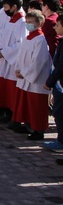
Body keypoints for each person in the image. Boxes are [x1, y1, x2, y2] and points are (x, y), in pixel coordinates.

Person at [12, 10, 52, 140]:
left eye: (30, 22)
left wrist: (24, 73)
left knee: (37, 105)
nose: (28, 25)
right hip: (24, 77)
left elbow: (38, 62)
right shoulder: (27, 38)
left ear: (39, 23)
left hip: (35, 79)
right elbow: (20, 56)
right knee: (27, 103)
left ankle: (39, 130)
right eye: (27, 22)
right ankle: (28, 124)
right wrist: (18, 69)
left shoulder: (40, 40)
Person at [0, 0, 26, 123]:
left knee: (12, 87)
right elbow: (3, 36)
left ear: (14, 7)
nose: (4, 9)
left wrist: (4, 52)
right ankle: (5, 110)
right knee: (5, 85)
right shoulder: (11, 20)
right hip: (5, 57)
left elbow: (21, 43)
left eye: (6, 7)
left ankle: (12, 114)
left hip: (12, 60)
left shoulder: (22, 22)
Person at [42, 15, 63, 152]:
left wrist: (50, 81)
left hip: (61, 84)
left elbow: (61, 66)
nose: (55, 27)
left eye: (57, 25)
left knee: (59, 112)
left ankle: (61, 141)